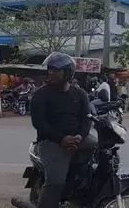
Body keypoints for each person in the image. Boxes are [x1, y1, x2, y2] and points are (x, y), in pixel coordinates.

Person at [31, 52, 95, 208]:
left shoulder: (80, 94)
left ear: (67, 72)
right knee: (55, 182)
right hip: (50, 141)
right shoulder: (40, 95)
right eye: (50, 69)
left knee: (98, 146)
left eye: (56, 70)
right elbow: (39, 123)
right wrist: (62, 139)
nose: (51, 73)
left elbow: (87, 118)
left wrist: (80, 135)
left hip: (78, 139)